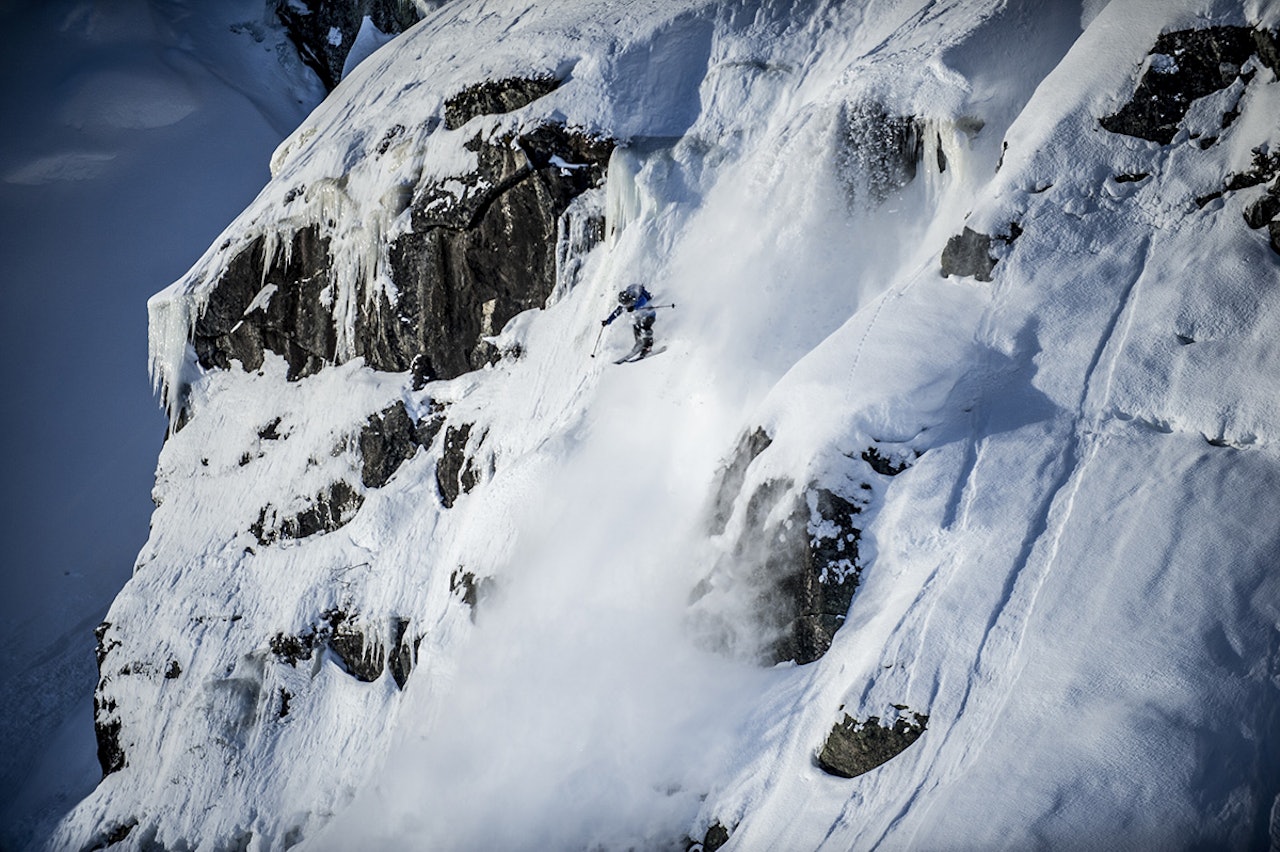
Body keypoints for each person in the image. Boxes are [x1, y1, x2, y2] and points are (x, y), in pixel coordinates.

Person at [601, 283, 656, 359]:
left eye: (627, 304)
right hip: (640, 317)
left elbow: (643, 300)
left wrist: (634, 307)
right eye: (624, 304)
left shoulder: (637, 298)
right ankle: (639, 342)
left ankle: (648, 347)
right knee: (636, 327)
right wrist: (607, 321)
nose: (626, 306)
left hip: (650, 315)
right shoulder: (626, 304)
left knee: (644, 327)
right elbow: (617, 312)